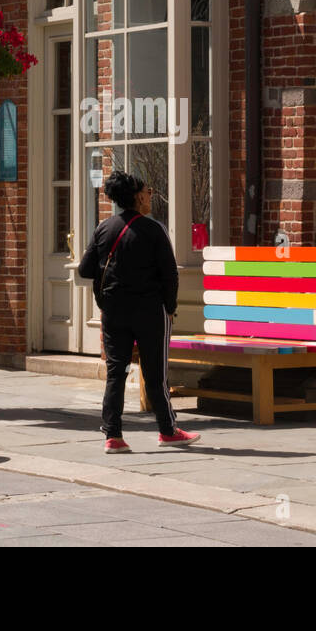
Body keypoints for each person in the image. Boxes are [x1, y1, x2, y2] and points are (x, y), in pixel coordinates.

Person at [77, 170, 200, 453]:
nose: (150, 196)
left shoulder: (104, 229)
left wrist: (105, 295)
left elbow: (85, 270)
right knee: (155, 373)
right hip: (149, 311)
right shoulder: (153, 229)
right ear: (137, 196)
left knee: (115, 372)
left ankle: (113, 436)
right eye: (147, 191)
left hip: (114, 311)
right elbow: (170, 275)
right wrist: (170, 308)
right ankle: (168, 431)